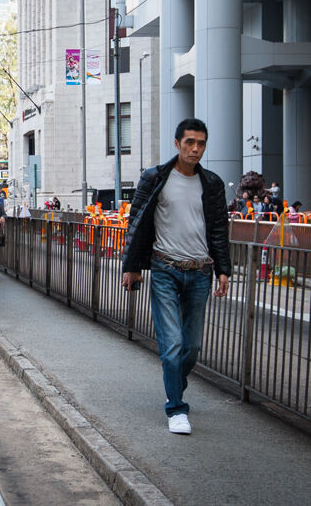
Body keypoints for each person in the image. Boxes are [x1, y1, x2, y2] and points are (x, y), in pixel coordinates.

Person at [121, 118, 230, 435]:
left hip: (201, 271)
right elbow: (137, 222)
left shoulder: (212, 183)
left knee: (191, 348)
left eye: (201, 143)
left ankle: (174, 387)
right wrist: (132, 266)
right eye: (189, 142)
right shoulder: (155, 177)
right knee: (172, 345)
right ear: (177, 144)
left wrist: (224, 269)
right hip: (165, 269)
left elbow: (219, 229)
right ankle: (176, 409)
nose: (195, 149)